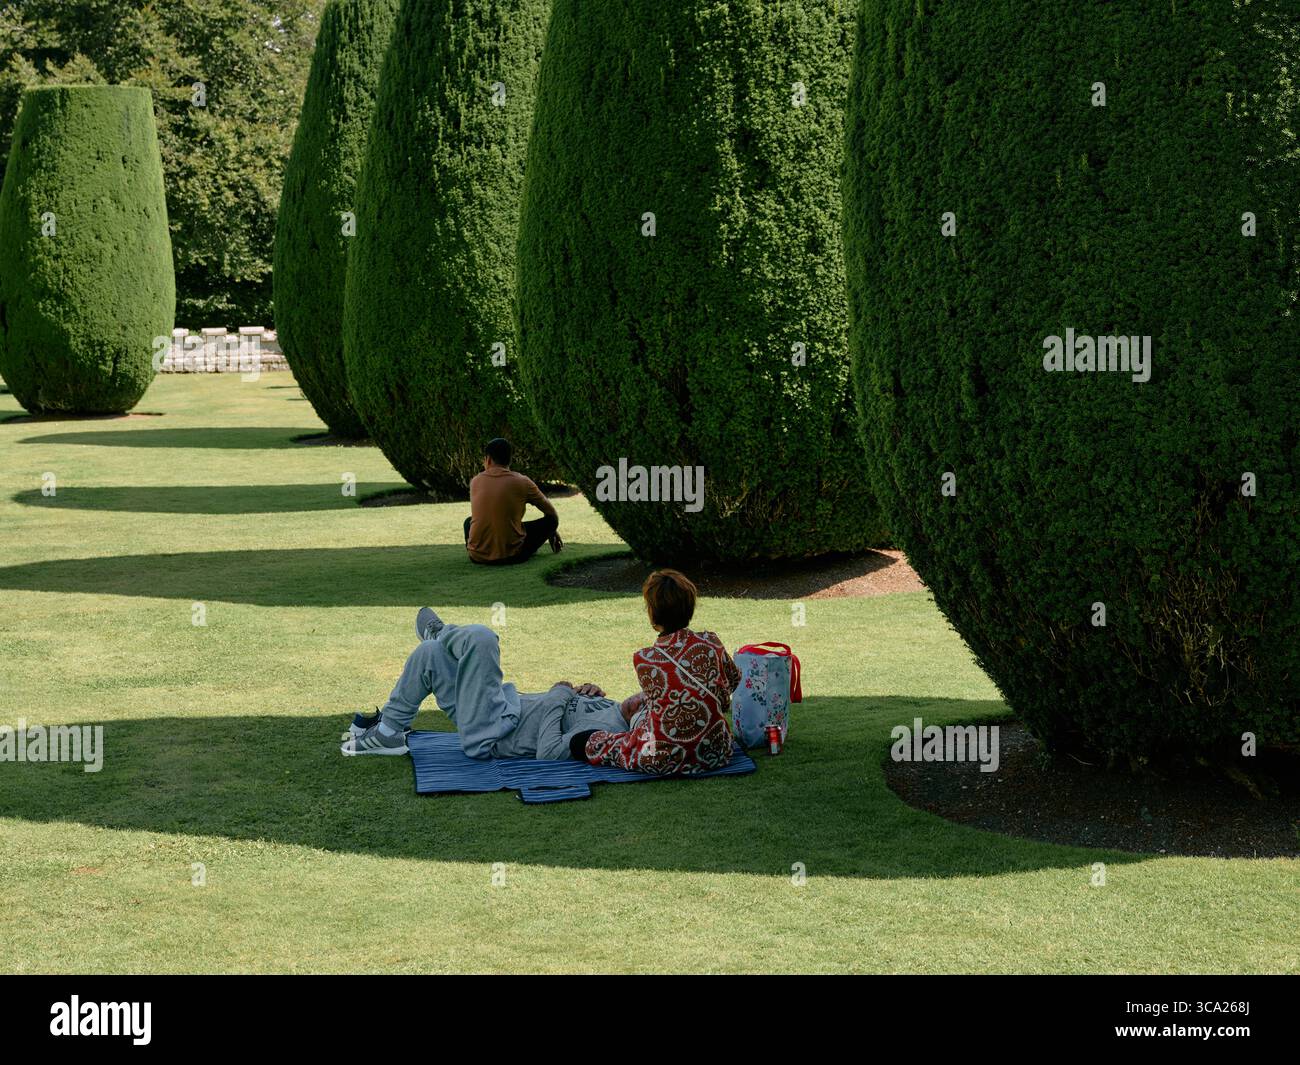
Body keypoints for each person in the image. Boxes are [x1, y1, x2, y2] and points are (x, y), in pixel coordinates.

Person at [342, 608, 636, 759]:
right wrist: (580, 694)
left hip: (496, 733)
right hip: (497, 707)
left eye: (648, 702)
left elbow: (549, 753)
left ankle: (440, 633)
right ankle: (389, 731)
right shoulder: (612, 708)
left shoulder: (609, 731)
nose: (643, 694)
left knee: (481, 639)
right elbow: (564, 712)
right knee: (429, 655)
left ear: (644, 719)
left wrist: (560, 694)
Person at [570, 569, 740, 775]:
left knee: (581, 741)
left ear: (653, 611)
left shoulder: (645, 659)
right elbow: (734, 681)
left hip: (663, 757)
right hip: (717, 752)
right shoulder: (712, 642)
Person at [463, 437, 562, 565]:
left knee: (468, 522)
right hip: (513, 555)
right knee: (551, 521)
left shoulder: (475, 481)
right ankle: (520, 547)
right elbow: (551, 512)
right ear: (510, 459)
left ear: (488, 459)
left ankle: (480, 550)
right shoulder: (522, 482)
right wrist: (551, 531)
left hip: (477, 556)